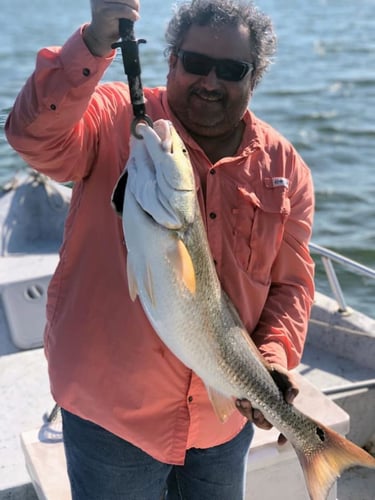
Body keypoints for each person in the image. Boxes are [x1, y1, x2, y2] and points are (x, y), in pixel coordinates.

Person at [5, 0, 315, 498]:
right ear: (170, 61)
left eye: (231, 69)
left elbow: (292, 286)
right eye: (194, 63)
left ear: (254, 78)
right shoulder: (118, 122)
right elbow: (32, 135)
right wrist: (94, 41)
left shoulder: (284, 169)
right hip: (113, 419)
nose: (209, 82)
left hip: (224, 420)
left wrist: (272, 359)